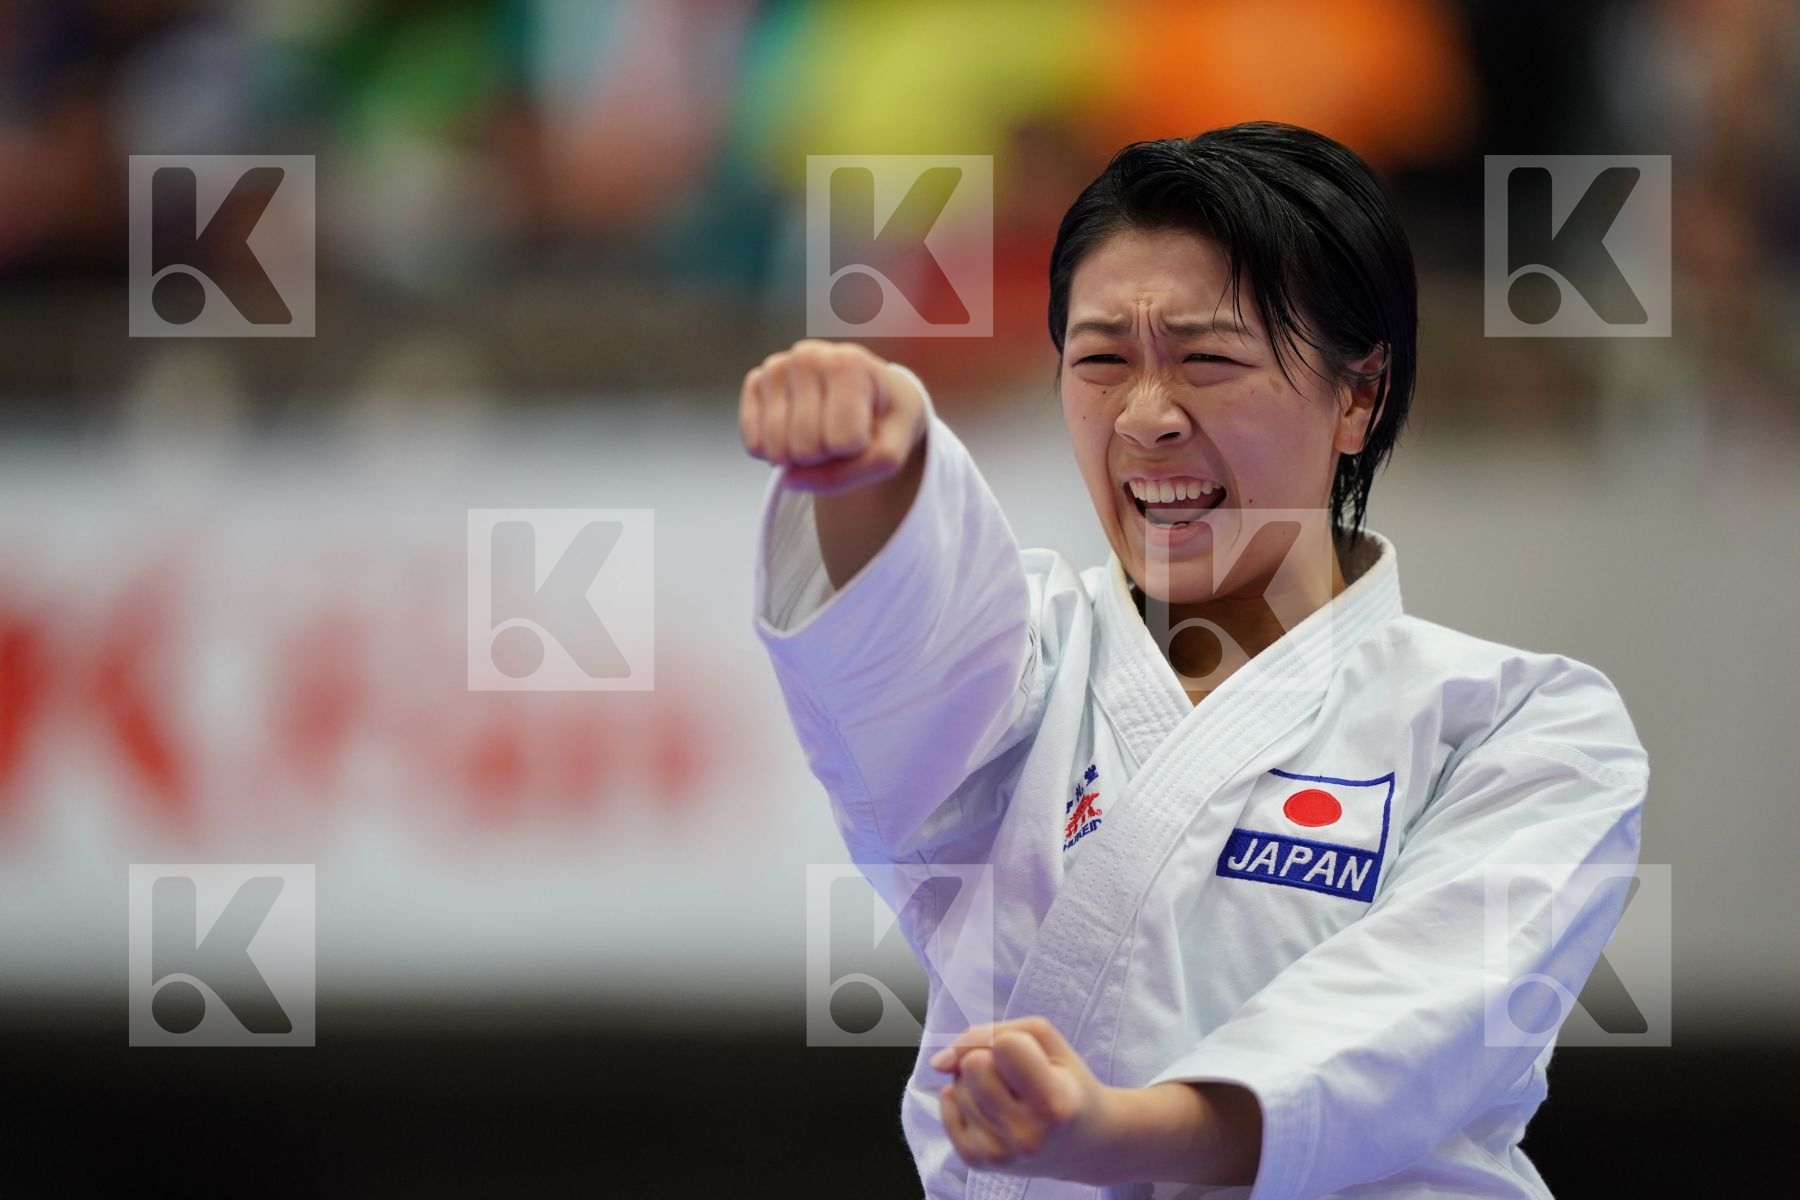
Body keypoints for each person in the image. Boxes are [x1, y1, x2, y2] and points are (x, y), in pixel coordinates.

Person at [740, 122, 1647, 1199]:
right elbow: (901, 656)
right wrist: (867, 466)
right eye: (1101, 361)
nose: (1145, 417)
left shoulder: (1519, 726)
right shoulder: (1032, 663)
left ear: (1357, 394)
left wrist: (1123, 1132)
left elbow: (1419, 1020)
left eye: (1208, 360)